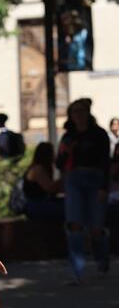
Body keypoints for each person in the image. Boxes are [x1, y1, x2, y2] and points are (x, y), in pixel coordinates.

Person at [56, 98, 111, 280]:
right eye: (74, 112)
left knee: (96, 227)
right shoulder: (68, 136)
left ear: (88, 113)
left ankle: (102, 259)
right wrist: (66, 151)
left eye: (81, 111)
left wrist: (104, 187)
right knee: (75, 224)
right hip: (74, 181)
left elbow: (105, 163)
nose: (78, 115)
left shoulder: (99, 134)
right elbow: (59, 163)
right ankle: (76, 268)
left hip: (95, 180)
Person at [22, 142, 64, 221]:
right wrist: (64, 176)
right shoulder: (38, 169)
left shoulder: (40, 168)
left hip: (38, 204)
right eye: (52, 153)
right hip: (35, 206)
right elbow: (50, 188)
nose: (54, 156)